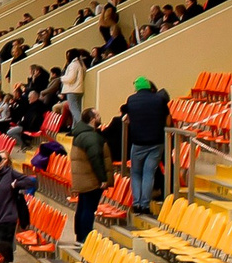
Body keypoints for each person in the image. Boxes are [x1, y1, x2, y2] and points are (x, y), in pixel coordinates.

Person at [123, 74, 173, 215]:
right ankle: (145, 205)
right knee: (149, 173)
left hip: (138, 142)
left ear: (137, 88)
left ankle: (136, 203)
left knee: (136, 173)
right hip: (156, 142)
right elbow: (168, 117)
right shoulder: (159, 99)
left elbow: (127, 116)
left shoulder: (131, 100)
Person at [68, 107, 112, 243]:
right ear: (93, 119)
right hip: (91, 179)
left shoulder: (81, 134)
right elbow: (96, 159)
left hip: (83, 177)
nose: (100, 117)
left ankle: (80, 235)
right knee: (88, 208)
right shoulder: (91, 137)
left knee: (82, 207)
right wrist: (102, 179)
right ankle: (85, 236)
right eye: (97, 115)